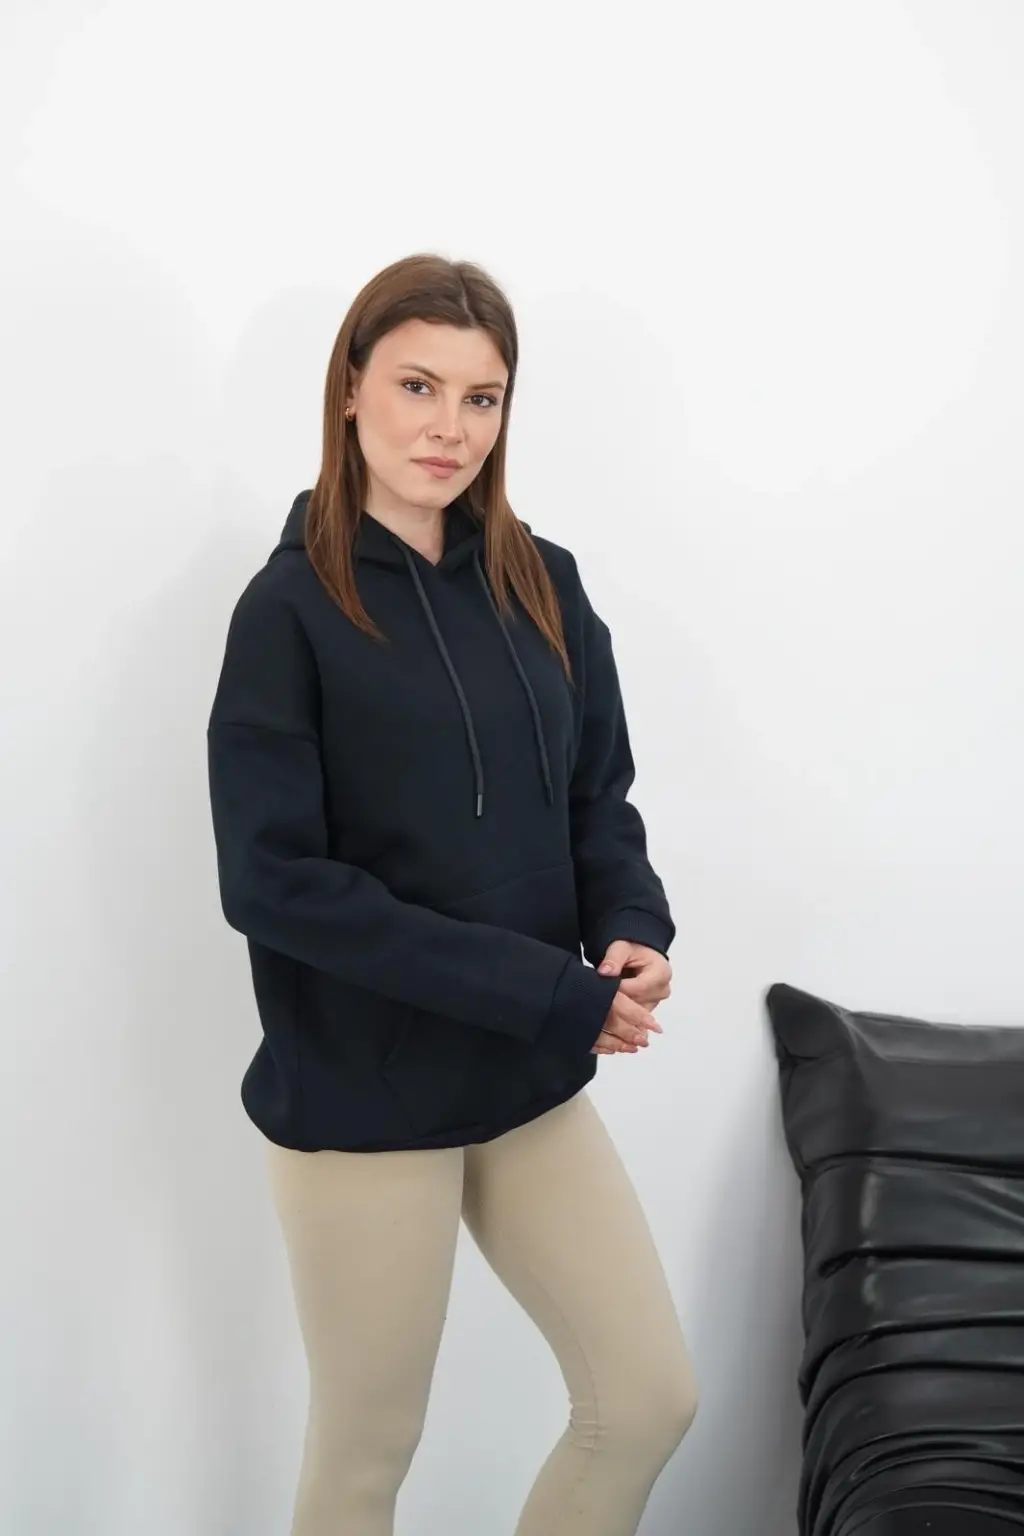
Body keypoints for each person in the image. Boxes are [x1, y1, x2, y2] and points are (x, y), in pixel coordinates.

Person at [206, 253, 697, 1536]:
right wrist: (542, 988)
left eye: (482, 398)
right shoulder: (288, 611)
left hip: (523, 1069)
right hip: (364, 1088)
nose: (449, 427)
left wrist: (630, 923)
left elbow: (597, 793)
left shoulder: (543, 579)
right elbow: (272, 883)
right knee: (369, 1452)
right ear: (351, 389)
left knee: (645, 1398)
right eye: (417, 385)